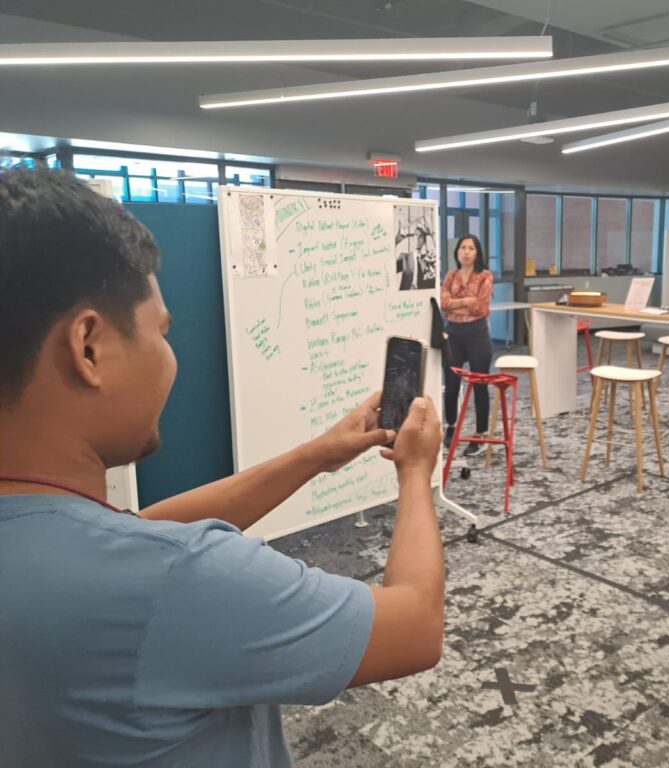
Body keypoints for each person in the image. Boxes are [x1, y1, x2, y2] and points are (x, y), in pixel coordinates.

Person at [0, 168, 445, 767]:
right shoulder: (175, 580)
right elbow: (416, 625)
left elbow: (142, 527)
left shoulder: (56, 541)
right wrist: (415, 474)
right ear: (88, 348)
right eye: (160, 332)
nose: (167, 355)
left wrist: (315, 455)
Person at [439, 234, 494, 455]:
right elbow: (443, 304)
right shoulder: (450, 275)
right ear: (457, 252)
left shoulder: (485, 276)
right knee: (451, 385)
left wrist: (455, 305)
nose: (466, 252)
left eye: (471, 248)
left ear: (477, 252)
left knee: (479, 385)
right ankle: (451, 426)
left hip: (477, 334)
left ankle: (480, 435)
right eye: (463, 248)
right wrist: (465, 303)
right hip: (452, 334)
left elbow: (480, 308)